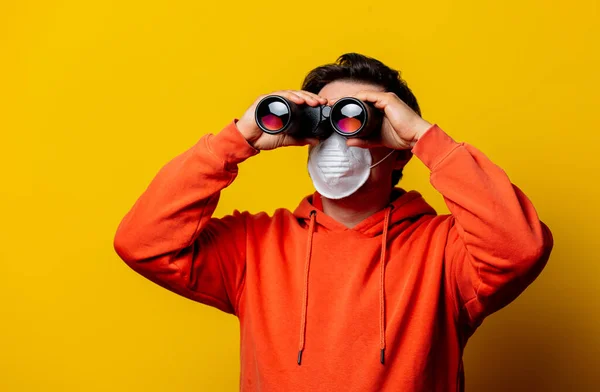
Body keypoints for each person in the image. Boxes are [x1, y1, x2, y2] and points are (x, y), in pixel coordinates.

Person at [113, 53, 553, 391]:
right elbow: (142, 242)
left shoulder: (446, 252)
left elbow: (519, 248)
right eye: (323, 121)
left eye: (353, 118)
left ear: (396, 147)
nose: (336, 138)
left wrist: (425, 138)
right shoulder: (254, 246)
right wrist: (238, 138)